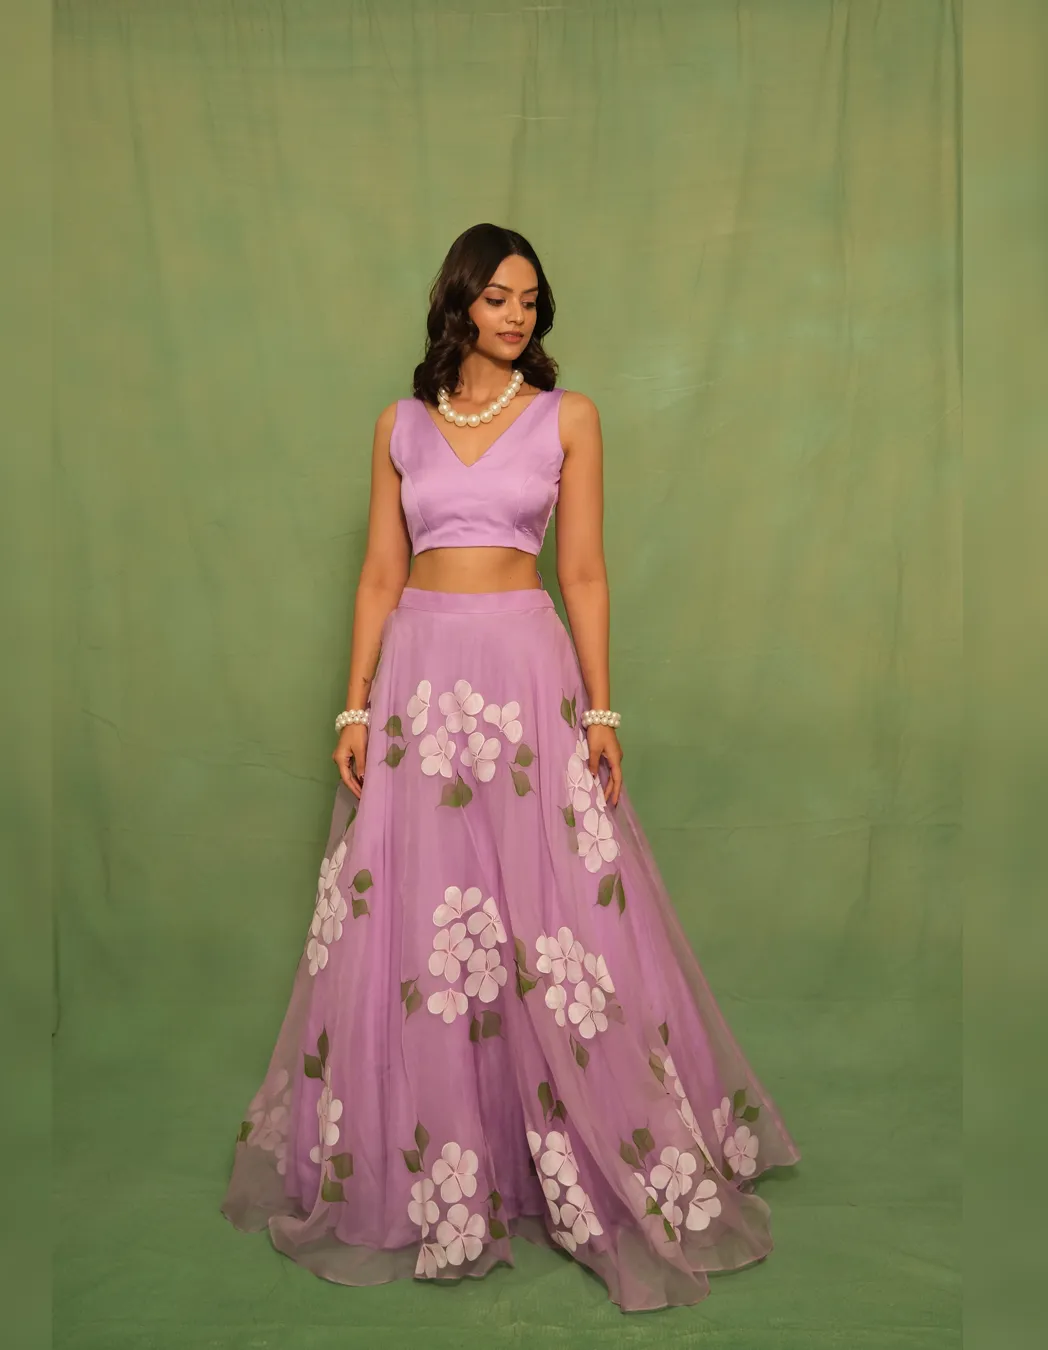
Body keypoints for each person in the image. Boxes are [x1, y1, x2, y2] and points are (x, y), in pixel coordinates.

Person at [221, 222, 799, 1312]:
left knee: (554, 914)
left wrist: (603, 708)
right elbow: (379, 573)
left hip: (527, 678)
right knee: (428, 922)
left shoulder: (567, 418)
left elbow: (583, 573)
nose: (517, 314)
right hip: (420, 680)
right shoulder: (401, 425)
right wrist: (354, 702)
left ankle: (603, 1153)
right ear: (459, 303)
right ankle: (447, 1165)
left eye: (530, 299)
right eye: (497, 297)